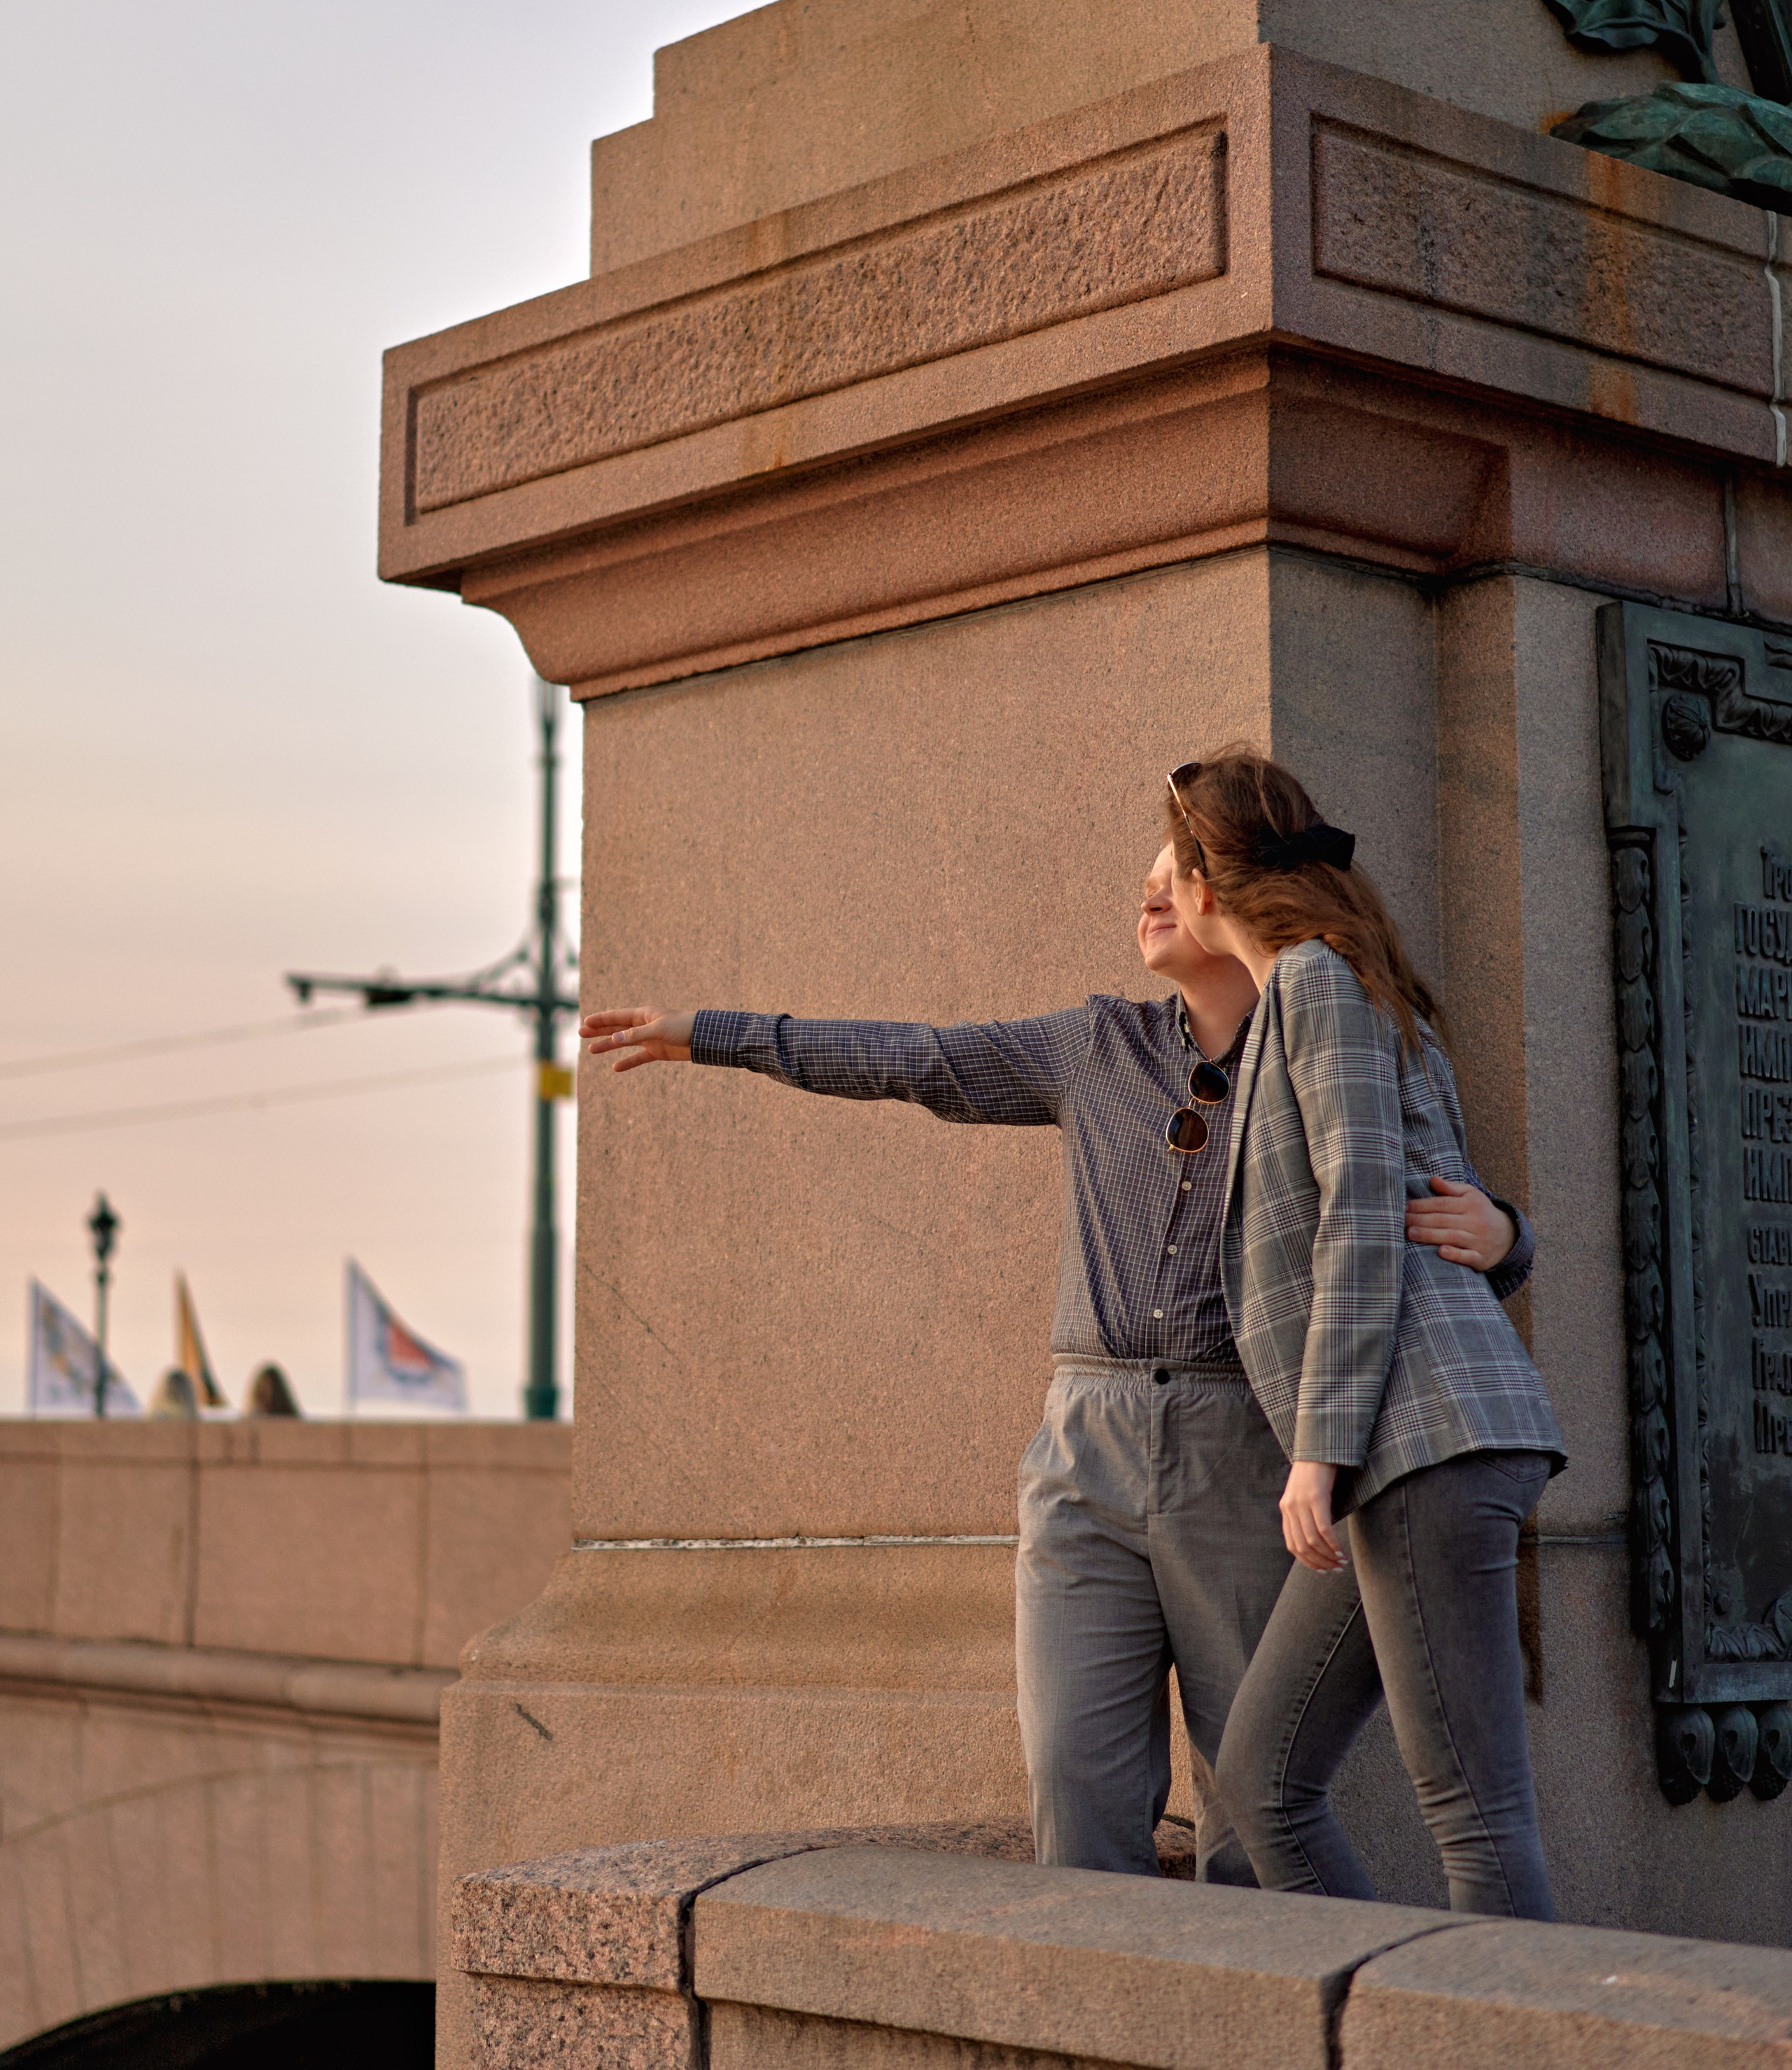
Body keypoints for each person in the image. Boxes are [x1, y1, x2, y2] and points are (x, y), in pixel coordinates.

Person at [580, 827, 1533, 1884]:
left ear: (1236, 900)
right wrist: (713, 1034)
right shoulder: (1096, 1046)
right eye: (1147, 888)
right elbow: (918, 1059)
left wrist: (1506, 1234)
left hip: (1253, 1447)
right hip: (1087, 1453)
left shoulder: (1328, 1027)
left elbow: (1408, 1205)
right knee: (1076, 1790)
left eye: (1175, 884)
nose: (1152, 899)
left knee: (1249, 1813)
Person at [1161, 748, 1566, 1918]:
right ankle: (1397, 2018)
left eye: (1165, 874)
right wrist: (1509, 1236)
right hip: (1404, 1447)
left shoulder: (1315, 982)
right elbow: (1436, 1199)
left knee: (1475, 1816)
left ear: (1202, 882)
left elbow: (1357, 1215)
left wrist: (1316, 1450)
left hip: (1413, 1440)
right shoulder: (1343, 978)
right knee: (1261, 1783)